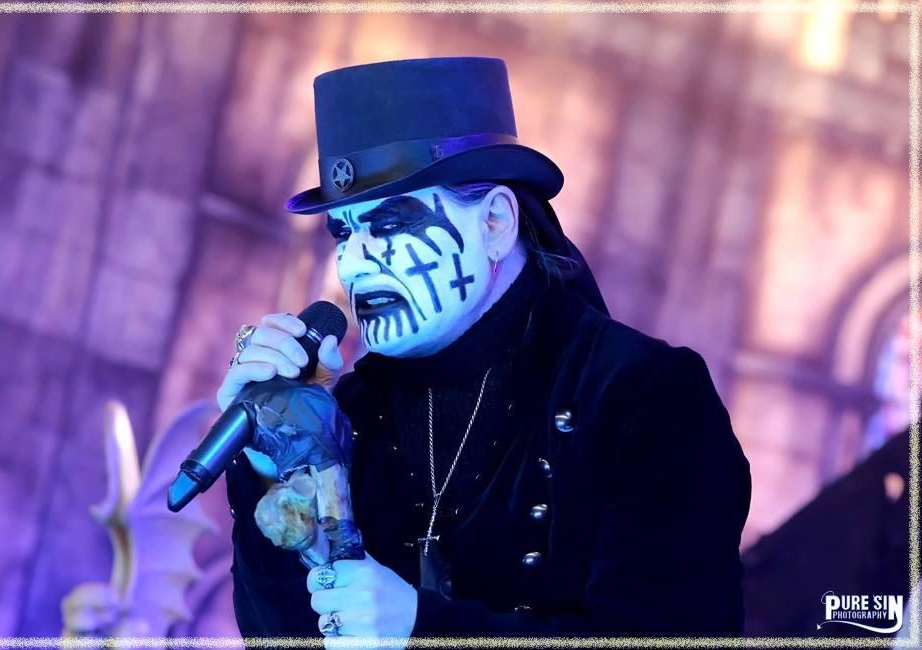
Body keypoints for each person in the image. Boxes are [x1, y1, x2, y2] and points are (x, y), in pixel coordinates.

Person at [217, 57, 752, 643]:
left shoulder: (644, 397)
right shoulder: (355, 408)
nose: (351, 262)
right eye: (342, 231)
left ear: (495, 221)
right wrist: (276, 464)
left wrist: (424, 629)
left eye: (390, 224)